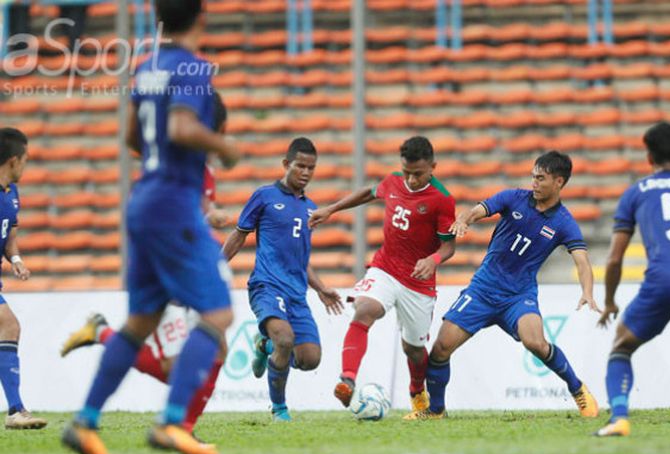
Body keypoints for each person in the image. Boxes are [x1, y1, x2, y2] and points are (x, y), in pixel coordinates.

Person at [61, 1, 241, 454]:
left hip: (142, 200)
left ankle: (85, 423)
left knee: (141, 322)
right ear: (201, 19)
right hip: (174, 204)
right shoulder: (194, 68)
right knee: (218, 314)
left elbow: (130, 140)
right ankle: (171, 422)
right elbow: (182, 127)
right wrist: (222, 146)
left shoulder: (146, 68)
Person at [406, 151, 600, 420]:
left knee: (536, 343)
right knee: (440, 349)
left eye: (541, 178)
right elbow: (478, 210)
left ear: (559, 182)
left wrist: (587, 292)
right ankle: (436, 410)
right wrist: (463, 220)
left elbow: (582, 261)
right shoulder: (513, 197)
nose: (534, 182)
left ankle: (578, 389)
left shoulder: (564, 222)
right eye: (533, 176)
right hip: (482, 290)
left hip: (518, 296)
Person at [309, 136, 456, 416]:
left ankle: (417, 394)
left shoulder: (442, 200)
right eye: (407, 171)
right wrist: (331, 209)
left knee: (413, 349)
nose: (411, 179)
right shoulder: (393, 180)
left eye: (418, 174)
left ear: (433, 167)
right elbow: (368, 192)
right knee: (364, 309)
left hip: (418, 282)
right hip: (385, 268)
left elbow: (449, 246)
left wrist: (433, 260)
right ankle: (347, 379)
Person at [222, 137, 343, 421]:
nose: (306, 172)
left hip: (297, 293)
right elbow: (239, 235)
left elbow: (300, 258)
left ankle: (264, 345)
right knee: (285, 339)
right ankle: (279, 409)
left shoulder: (311, 208)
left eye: (311, 168)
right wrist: (216, 266)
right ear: (286, 164)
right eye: (300, 166)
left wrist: (321, 288)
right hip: (266, 285)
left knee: (310, 359)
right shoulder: (264, 196)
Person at [595, 122, 670, 437]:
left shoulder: (635, 193)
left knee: (621, 348)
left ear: (649, 157)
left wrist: (611, 300)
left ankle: (620, 419)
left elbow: (615, 258)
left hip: (662, 283)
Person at [0, 127, 46, 430]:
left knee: (8, 326)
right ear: (14, 160)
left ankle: (16, 410)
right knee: (9, 325)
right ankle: (16, 410)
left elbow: (9, 237)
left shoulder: (11, 194)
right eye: (26, 159)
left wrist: (15, 260)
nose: (26, 165)